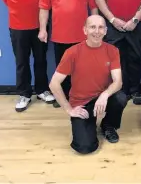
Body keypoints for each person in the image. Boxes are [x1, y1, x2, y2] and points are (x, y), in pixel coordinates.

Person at [49, 15, 128, 154]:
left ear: (105, 31)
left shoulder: (112, 50)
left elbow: (118, 82)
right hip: (82, 103)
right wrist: (69, 109)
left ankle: (108, 125)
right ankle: (90, 123)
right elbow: (54, 84)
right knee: (85, 148)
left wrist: (104, 95)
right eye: (92, 27)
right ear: (85, 30)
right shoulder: (72, 52)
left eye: (100, 27)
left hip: (103, 99)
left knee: (120, 98)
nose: (97, 31)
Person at [38, 0, 98, 108]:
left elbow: (93, 8)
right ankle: (62, 96)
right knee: (62, 68)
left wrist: (95, 30)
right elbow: (44, 8)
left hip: (82, 37)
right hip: (60, 36)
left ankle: (81, 96)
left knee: (82, 69)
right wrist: (43, 29)